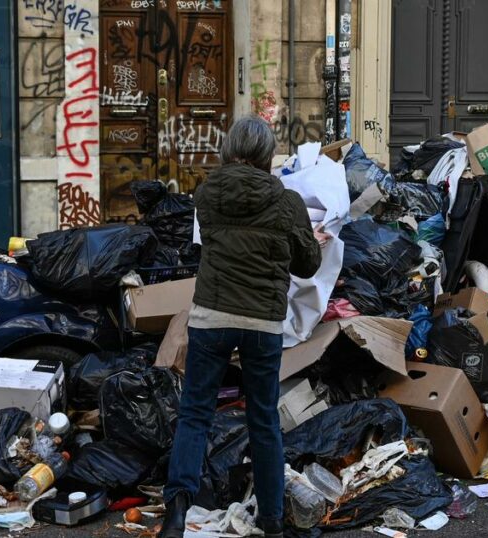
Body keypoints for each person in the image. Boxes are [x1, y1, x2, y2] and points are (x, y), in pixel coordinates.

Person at [159, 116, 327, 538]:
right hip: (262, 323)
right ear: (268, 154)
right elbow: (307, 264)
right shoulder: (287, 202)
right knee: (263, 419)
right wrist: (310, 237)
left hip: (211, 316)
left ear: (230, 148)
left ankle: (176, 513)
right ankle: (271, 520)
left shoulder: (207, 194)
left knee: (195, 414)